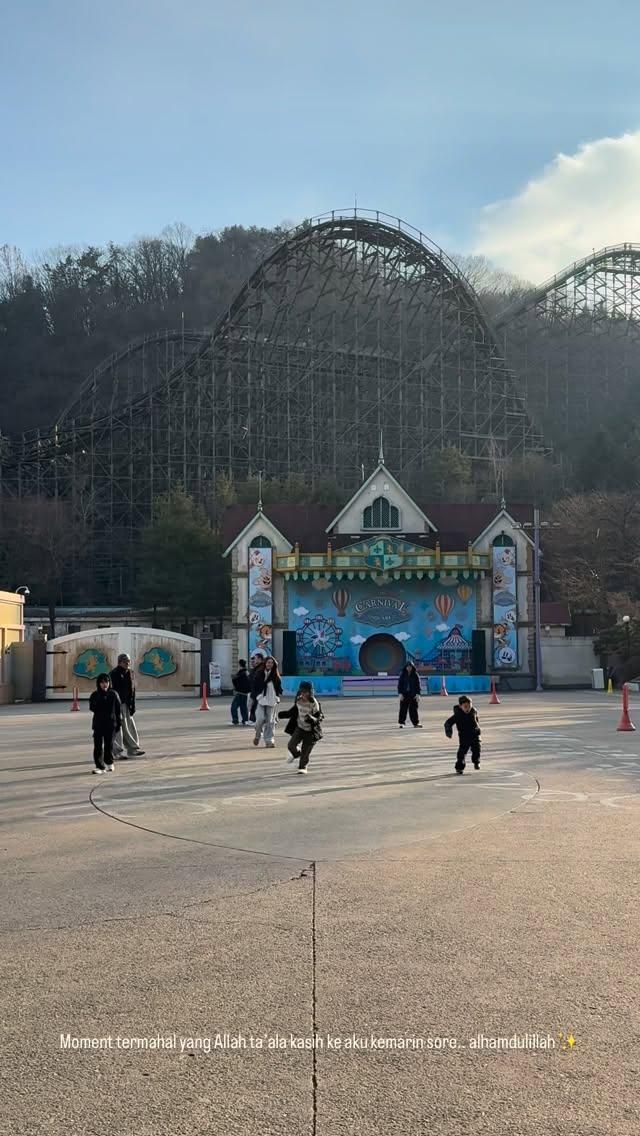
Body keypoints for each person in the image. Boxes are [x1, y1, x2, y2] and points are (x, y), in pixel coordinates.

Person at [279, 681, 324, 774]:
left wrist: (313, 719)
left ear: (310, 692)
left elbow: (320, 716)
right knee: (291, 745)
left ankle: (303, 766)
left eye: (306, 692)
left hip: (311, 731)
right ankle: (296, 754)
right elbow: (293, 711)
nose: (303, 694)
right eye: (302, 692)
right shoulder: (298, 700)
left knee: (306, 750)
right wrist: (282, 714)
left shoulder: (314, 703)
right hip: (300, 728)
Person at [110, 653, 145, 759]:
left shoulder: (131, 673)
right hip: (116, 705)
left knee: (130, 726)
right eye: (125, 661)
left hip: (127, 704)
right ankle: (116, 752)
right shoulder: (113, 674)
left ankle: (132, 749)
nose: (127, 663)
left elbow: (132, 690)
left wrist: (132, 705)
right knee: (118, 729)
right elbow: (111, 691)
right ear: (119, 662)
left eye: (129, 661)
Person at [89, 673, 121, 773]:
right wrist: (101, 698)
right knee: (98, 746)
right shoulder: (95, 695)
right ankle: (100, 767)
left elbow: (117, 710)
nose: (104, 684)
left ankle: (109, 762)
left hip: (111, 724)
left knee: (109, 745)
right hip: (98, 724)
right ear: (98, 684)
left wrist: (118, 724)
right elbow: (92, 707)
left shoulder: (113, 694)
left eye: (106, 682)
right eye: (102, 682)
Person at [444, 695, 481, 774]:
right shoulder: (458, 715)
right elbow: (448, 723)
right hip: (464, 736)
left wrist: (478, 729)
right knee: (461, 753)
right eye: (465, 707)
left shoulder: (473, 711)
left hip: (474, 734)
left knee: (477, 749)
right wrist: (449, 732)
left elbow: (476, 721)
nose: (468, 709)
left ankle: (476, 762)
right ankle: (459, 768)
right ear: (460, 706)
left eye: (469, 706)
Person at [252, 656, 283, 748]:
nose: (269, 664)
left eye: (271, 663)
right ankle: (258, 735)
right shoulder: (259, 674)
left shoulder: (275, 676)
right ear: (265, 663)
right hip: (261, 700)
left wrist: (277, 697)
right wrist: (257, 696)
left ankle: (269, 740)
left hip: (271, 700)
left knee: (270, 721)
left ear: (274, 665)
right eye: (268, 662)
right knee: (260, 719)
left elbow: (278, 689)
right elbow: (254, 687)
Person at [398, 662, 422, 728]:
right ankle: (401, 723)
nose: (409, 668)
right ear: (405, 667)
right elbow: (400, 685)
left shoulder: (415, 675)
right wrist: (400, 693)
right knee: (403, 709)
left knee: (414, 710)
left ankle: (415, 723)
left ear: (412, 667)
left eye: (410, 667)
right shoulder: (403, 675)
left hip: (413, 695)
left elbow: (418, 685)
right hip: (404, 694)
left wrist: (418, 694)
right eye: (408, 666)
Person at [231, 659, 251, 726]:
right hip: (245, 693)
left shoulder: (241, 673)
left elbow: (235, 680)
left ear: (239, 664)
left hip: (240, 692)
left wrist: (233, 679)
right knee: (243, 707)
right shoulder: (247, 672)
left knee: (234, 707)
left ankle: (235, 720)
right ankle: (245, 720)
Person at [248, 653, 266, 723]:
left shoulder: (261, 669)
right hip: (255, 691)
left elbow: (258, 680)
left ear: (259, 659)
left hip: (258, 691)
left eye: (255, 658)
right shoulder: (257, 668)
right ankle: (253, 719)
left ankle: (255, 720)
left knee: (257, 706)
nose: (254, 660)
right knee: (254, 706)